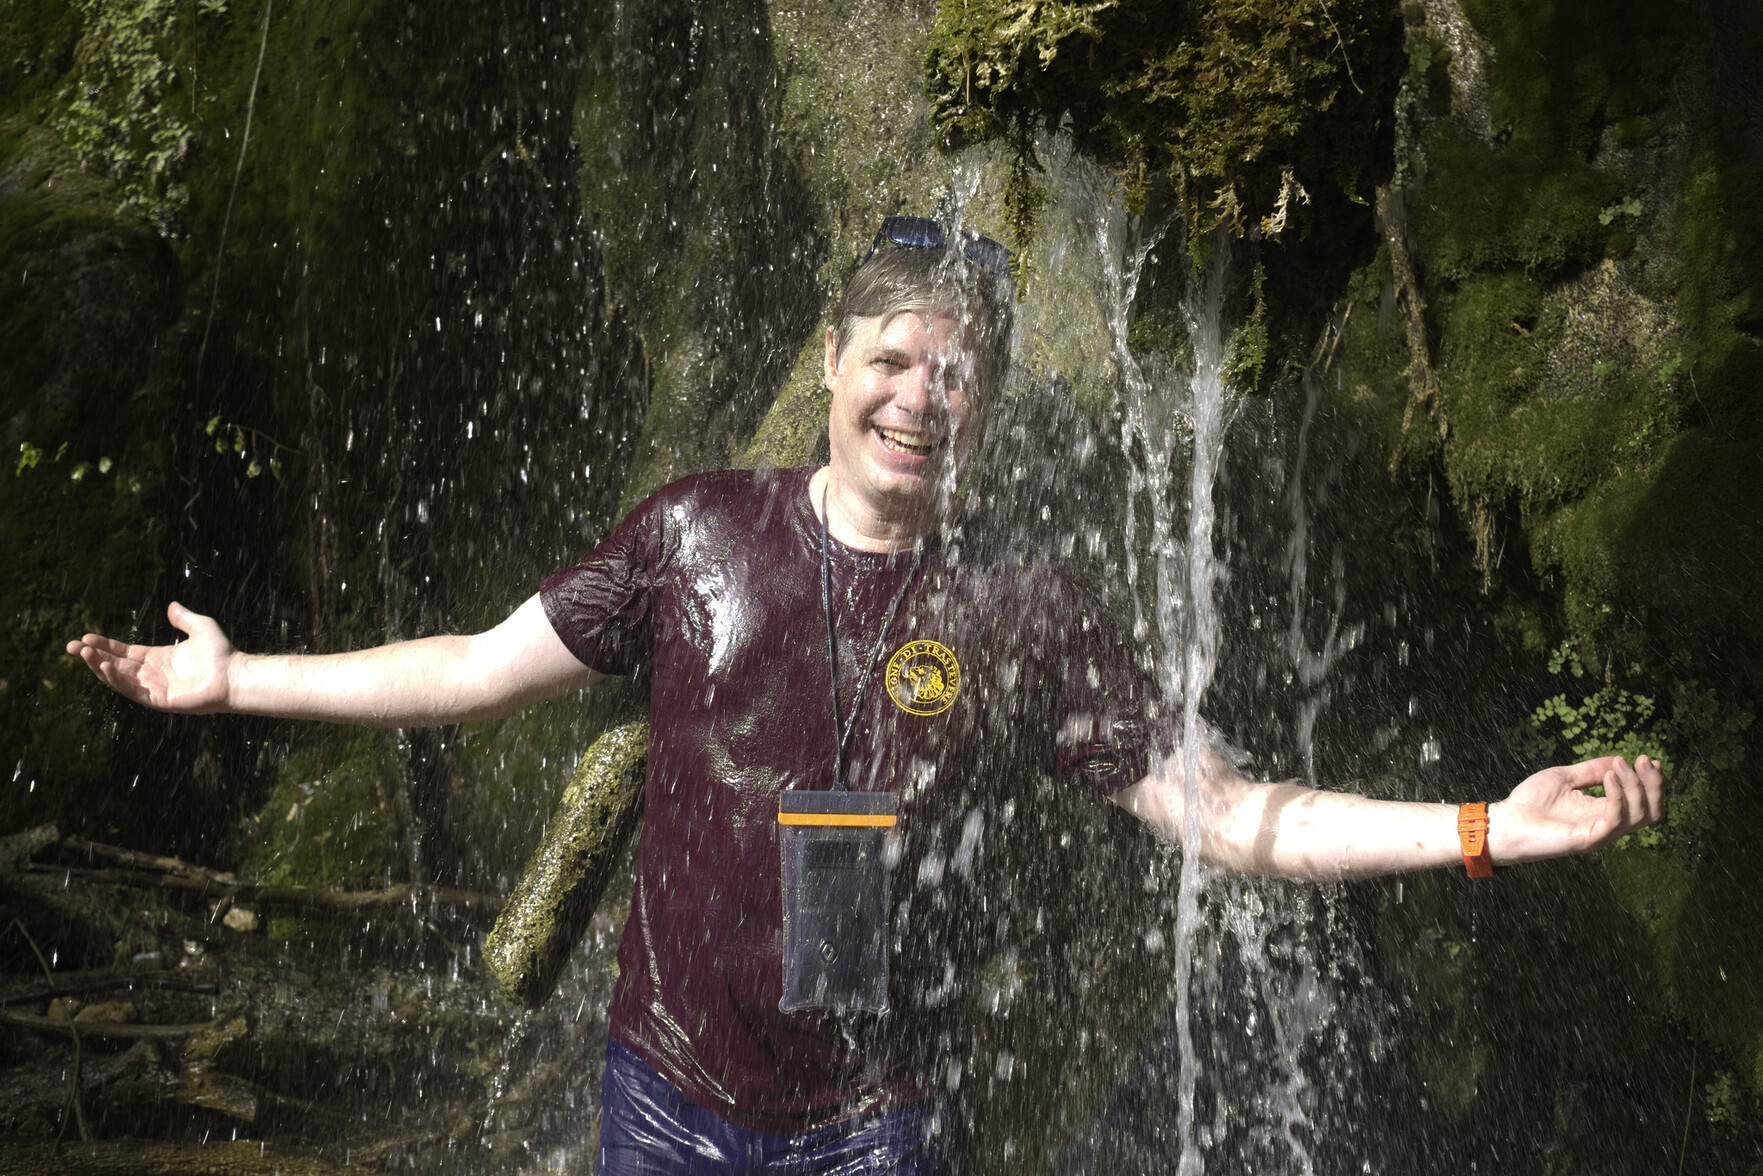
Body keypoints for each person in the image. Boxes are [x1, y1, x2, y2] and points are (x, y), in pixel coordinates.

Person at [68, 218, 1664, 1174]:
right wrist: (234, 685)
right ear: (832, 363)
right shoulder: (695, 536)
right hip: (668, 1093)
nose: (919, 395)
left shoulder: (1022, 616)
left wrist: (1485, 829)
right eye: (891, 358)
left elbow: (1234, 817)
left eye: (956, 372)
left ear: (986, 407)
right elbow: (481, 671)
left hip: (879, 1127)